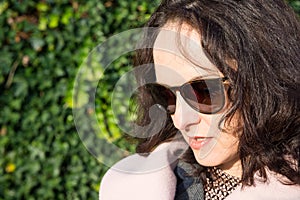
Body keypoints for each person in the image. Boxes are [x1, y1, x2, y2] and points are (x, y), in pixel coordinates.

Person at [100, 0, 300, 199]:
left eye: (203, 91)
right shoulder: (133, 188)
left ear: (264, 81)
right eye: (166, 94)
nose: (181, 120)